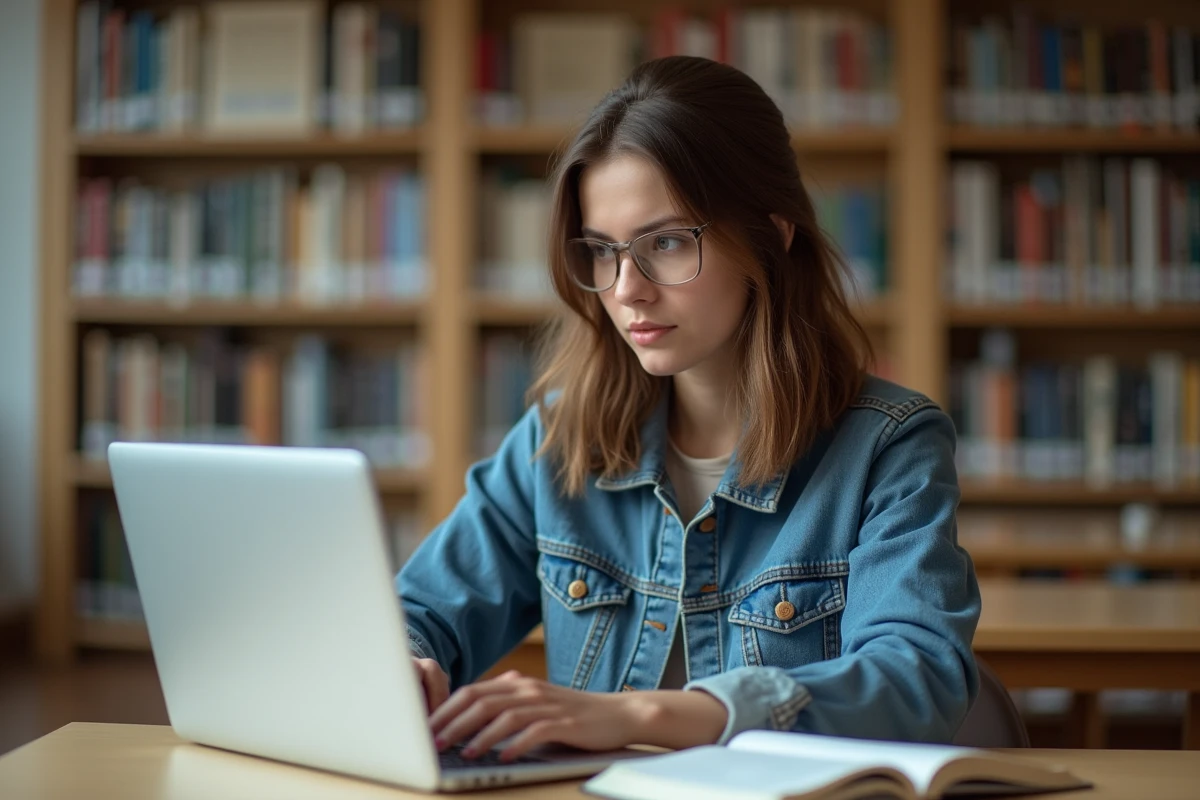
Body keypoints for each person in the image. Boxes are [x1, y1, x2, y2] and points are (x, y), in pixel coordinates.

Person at [397, 55, 980, 763]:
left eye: (667, 243)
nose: (626, 289)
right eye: (603, 252)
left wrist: (636, 714)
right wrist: (403, 662)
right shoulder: (559, 438)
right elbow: (421, 612)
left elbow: (916, 679)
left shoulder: (889, 446)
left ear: (772, 235)